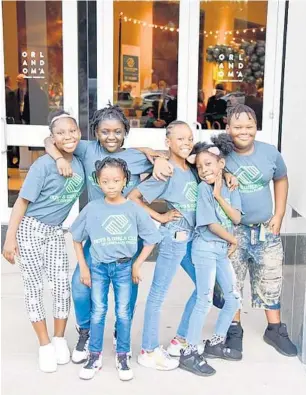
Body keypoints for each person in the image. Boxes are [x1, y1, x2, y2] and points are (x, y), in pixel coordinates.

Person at [44, 103, 173, 363]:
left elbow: (164, 158)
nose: (110, 137)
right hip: (96, 238)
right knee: (80, 287)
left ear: (125, 131)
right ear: (95, 132)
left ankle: (119, 331)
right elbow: (50, 139)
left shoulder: (136, 157)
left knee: (127, 294)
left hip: (128, 240)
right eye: (104, 131)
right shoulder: (86, 149)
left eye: (117, 131)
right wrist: (58, 158)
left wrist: (157, 158)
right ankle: (86, 330)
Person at [2, 110, 85, 373]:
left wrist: (60, 154)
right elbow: (21, 203)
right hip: (31, 229)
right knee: (34, 287)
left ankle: (59, 339)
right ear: (52, 137)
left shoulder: (81, 159)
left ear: (80, 133)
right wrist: (9, 239)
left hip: (55, 231)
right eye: (60, 133)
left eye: (72, 130)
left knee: (61, 285)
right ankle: (45, 344)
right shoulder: (43, 165)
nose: (68, 136)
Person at [70, 157, 161, 381]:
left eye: (116, 180)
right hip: (99, 268)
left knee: (123, 312)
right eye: (105, 181)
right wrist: (83, 266)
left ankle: (122, 355)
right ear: (98, 182)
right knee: (98, 311)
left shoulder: (133, 209)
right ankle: (94, 355)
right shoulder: (92, 208)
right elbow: (76, 238)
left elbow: (151, 239)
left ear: (125, 181)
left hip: (124, 268)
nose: (110, 185)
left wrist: (137, 264)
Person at [218, 104, 297, 358]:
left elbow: (281, 179)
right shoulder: (220, 153)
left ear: (256, 127)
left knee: (271, 279)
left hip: (265, 230)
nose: (244, 131)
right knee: (232, 281)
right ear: (227, 127)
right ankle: (234, 329)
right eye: (238, 127)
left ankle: (274, 329)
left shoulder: (269, 153)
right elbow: (193, 160)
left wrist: (280, 213)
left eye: (249, 126)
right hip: (233, 231)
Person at [128, 120, 197, 370]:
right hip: (174, 237)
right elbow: (133, 197)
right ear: (168, 142)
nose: (186, 143)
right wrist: (159, 216)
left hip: (192, 238)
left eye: (189, 138)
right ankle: (148, 350)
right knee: (158, 294)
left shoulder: (192, 168)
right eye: (180, 139)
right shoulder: (165, 171)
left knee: (204, 288)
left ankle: (179, 340)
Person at [179, 134, 242, 377]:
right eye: (199, 166)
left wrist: (219, 196)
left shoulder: (230, 186)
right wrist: (233, 239)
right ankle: (189, 352)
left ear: (221, 164)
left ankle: (215, 342)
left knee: (233, 298)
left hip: (220, 250)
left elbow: (236, 217)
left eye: (208, 164)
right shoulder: (202, 189)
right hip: (205, 248)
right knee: (204, 300)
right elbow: (210, 224)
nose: (204, 170)